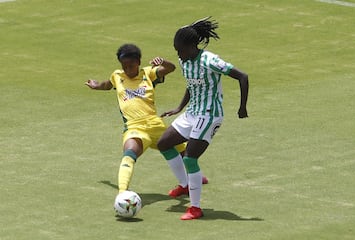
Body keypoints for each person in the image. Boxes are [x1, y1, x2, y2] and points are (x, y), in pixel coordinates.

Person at [157, 17, 249, 220]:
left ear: (192, 46)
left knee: (190, 158)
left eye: (180, 49)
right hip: (191, 113)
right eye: (175, 49)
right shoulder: (184, 60)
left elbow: (243, 76)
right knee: (163, 143)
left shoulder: (210, 60)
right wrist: (179, 108)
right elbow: (192, 85)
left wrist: (242, 107)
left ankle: (195, 208)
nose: (178, 54)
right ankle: (184, 185)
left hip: (209, 115)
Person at [85, 43, 192, 195]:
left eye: (132, 65)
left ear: (139, 62)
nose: (128, 70)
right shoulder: (117, 76)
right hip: (135, 128)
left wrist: (163, 62)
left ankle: (195, 177)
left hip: (156, 125)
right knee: (129, 154)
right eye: (125, 66)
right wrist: (97, 86)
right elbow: (107, 85)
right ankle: (123, 193)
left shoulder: (148, 73)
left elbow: (171, 68)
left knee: (184, 150)